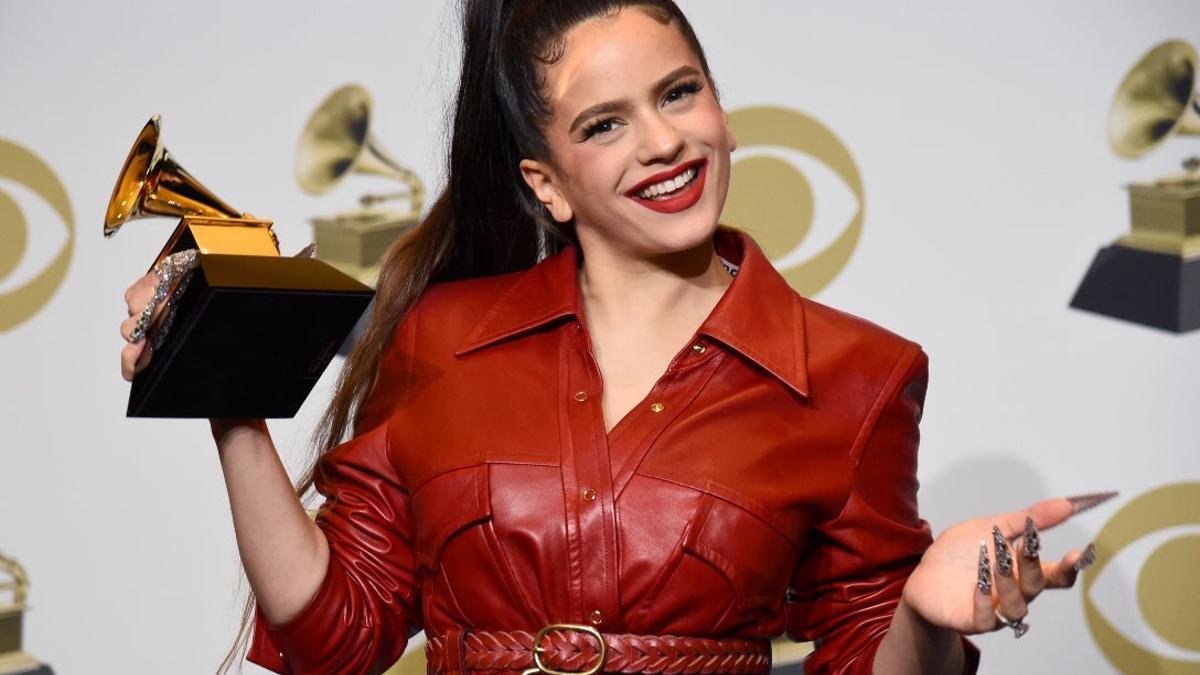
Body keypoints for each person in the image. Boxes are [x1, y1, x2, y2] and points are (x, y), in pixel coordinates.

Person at [119, 2, 1108, 674]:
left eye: (679, 94)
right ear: (546, 184)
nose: (664, 142)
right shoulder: (442, 335)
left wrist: (927, 614)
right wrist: (230, 394)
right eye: (604, 124)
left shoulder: (861, 374)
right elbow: (336, 642)